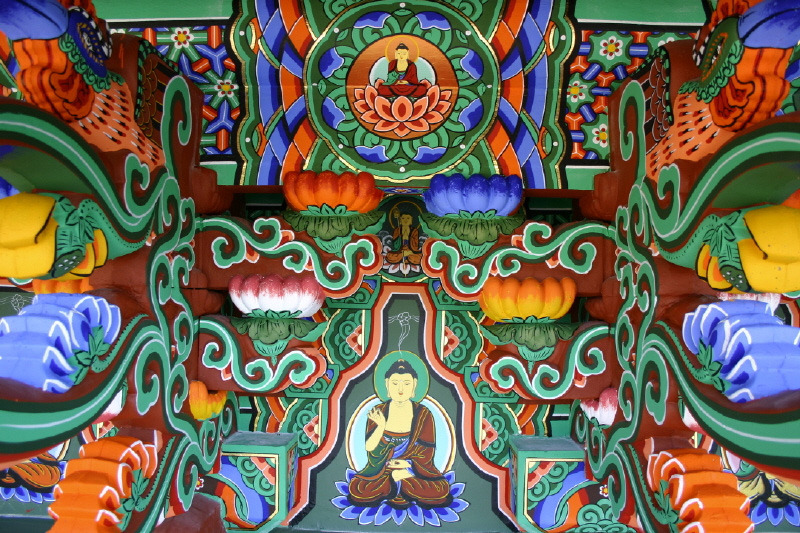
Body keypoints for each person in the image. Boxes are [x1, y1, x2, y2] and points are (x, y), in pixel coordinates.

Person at [347, 360, 452, 509]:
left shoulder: (423, 414)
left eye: (407, 383)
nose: (400, 389)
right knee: (358, 488)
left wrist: (408, 465)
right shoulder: (378, 411)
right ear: (387, 384)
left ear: (414, 385)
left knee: (440, 489)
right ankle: (394, 480)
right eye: (395, 383)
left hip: (412, 471)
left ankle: (395, 483)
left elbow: (426, 454)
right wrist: (381, 426)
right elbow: (370, 449)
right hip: (383, 471)